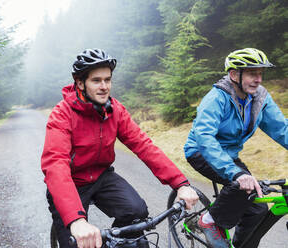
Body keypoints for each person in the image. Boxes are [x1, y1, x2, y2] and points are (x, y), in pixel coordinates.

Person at [41, 48, 199, 248]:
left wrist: (181, 184)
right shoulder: (62, 114)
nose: (104, 86)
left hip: (101, 176)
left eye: (108, 80)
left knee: (137, 213)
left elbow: (144, 146)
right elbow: (55, 165)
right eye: (96, 80)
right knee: (76, 243)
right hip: (71, 182)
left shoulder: (115, 110)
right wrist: (77, 221)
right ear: (80, 83)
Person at [184, 48, 288, 248]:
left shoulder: (259, 99)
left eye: (260, 74)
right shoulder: (216, 98)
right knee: (241, 185)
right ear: (234, 75)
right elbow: (205, 137)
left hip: (229, 155)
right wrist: (235, 173)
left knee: (257, 210)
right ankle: (208, 221)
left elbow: (282, 129)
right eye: (252, 73)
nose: (258, 79)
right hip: (200, 152)